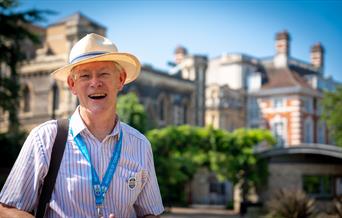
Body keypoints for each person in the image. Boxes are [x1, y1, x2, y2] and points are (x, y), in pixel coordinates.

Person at [0, 33, 164, 218]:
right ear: (72, 84)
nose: (95, 83)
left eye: (104, 73)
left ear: (120, 79)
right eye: (85, 76)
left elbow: (151, 214)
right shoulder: (44, 139)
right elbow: (6, 209)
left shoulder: (140, 145)